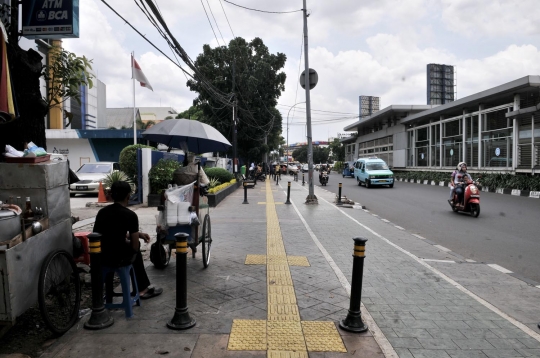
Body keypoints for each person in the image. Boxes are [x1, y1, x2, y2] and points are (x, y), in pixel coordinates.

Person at [93, 181, 163, 299]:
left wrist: (138, 234)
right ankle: (143, 289)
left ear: (112, 195)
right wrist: (135, 238)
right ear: (128, 196)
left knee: (130, 245)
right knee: (136, 249)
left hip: (102, 257)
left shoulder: (102, 212)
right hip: (119, 259)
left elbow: (104, 234)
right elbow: (134, 247)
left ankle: (111, 293)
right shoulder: (129, 215)